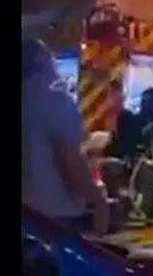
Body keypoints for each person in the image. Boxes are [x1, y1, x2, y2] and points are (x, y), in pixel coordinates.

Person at [22, 37, 108, 235]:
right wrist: (97, 199)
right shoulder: (54, 102)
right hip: (52, 219)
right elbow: (70, 165)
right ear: (44, 64)